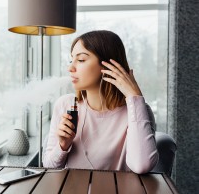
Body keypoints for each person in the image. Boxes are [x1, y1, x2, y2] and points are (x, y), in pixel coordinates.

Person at [43, 30, 159, 174]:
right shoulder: (65, 104)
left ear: (108, 65)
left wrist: (134, 96)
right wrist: (63, 146)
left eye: (80, 60)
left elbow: (142, 166)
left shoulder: (137, 111)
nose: (70, 68)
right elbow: (49, 167)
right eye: (71, 60)